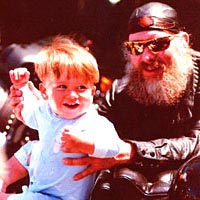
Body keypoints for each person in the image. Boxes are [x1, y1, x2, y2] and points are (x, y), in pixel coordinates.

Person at [9, 2, 200, 200]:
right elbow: (84, 123)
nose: (146, 56)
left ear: (183, 41)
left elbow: (196, 143)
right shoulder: (123, 89)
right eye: (136, 48)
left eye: (158, 44)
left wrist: (132, 151)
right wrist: (51, 109)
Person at [1, 35, 129, 200]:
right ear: (45, 92)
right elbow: (28, 112)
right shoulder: (45, 111)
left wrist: (86, 144)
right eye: (62, 87)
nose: (73, 95)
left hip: (61, 198)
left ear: (91, 92)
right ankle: (3, 179)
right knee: (29, 149)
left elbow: (114, 147)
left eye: (81, 87)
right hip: (39, 185)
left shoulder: (93, 122)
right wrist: (22, 86)